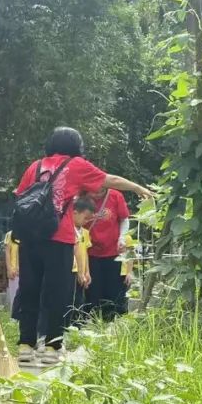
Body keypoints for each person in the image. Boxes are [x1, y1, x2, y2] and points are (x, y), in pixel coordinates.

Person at [14, 127, 152, 366]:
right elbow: (111, 180)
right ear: (76, 146)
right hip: (58, 238)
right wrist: (139, 188)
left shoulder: (34, 166)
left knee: (29, 289)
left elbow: (20, 197)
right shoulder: (76, 164)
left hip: (30, 238)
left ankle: (26, 345)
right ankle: (51, 347)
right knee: (58, 292)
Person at [86, 188, 133, 320]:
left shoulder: (115, 196)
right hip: (89, 252)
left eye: (99, 192)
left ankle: (113, 321)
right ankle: (91, 321)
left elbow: (124, 219)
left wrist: (122, 237)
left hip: (114, 252)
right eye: (93, 192)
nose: (96, 195)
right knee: (92, 290)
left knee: (114, 290)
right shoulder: (82, 195)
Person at [4, 230, 20, 319]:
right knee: (14, 296)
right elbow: (7, 252)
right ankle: (14, 318)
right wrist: (9, 269)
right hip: (13, 272)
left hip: (25, 271)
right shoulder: (10, 235)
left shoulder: (29, 232)